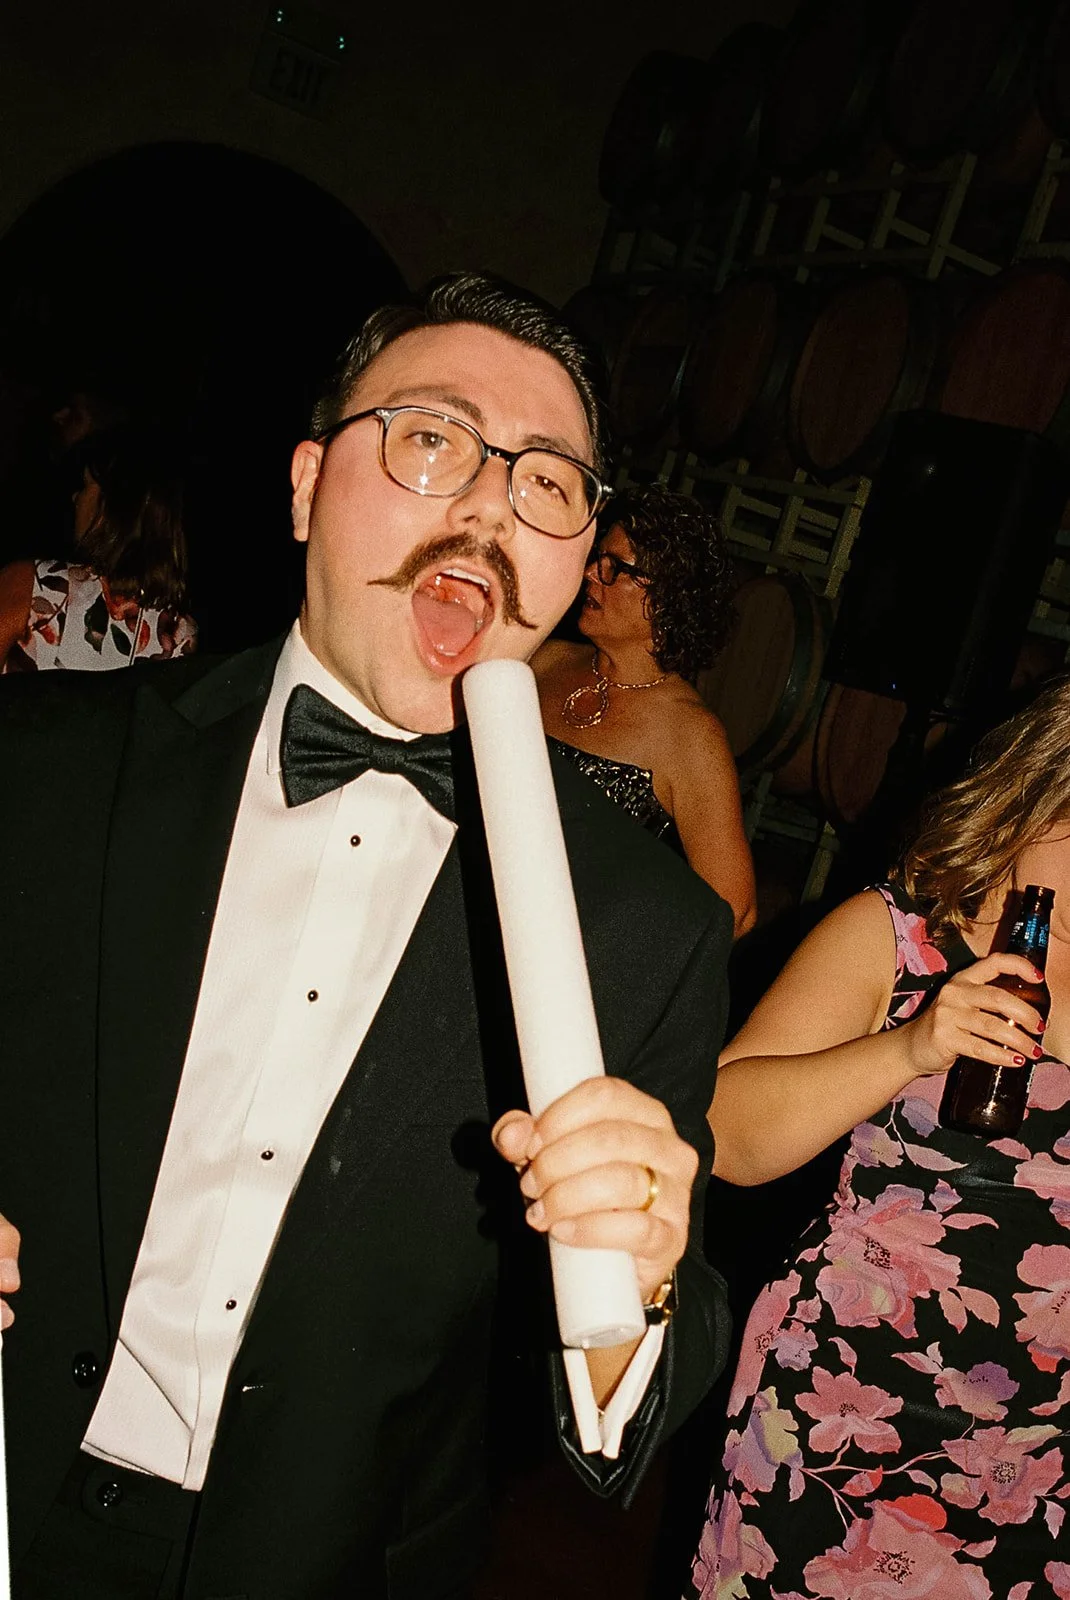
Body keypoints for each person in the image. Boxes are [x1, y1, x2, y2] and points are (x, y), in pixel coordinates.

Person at [0, 271, 733, 1600]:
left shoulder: (645, 925)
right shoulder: (44, 764)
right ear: (302, 486)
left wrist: (637, 1286)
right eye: (431, 438)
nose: (488, 509)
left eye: (546, 482)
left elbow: (622, 1419)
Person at [690, 676, 1070, 1599]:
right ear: (1038, 791)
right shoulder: (899, 938)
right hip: (852, 1414)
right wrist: (912, 1046)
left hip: (1042, 1465)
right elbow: (727, 1132)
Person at [534, 484, 756, 937]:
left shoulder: (690, 734)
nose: (590, 573)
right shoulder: (544, 659)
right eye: (597, 557)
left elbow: (735, 912)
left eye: (614, 567)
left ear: (666, 599)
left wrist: (615, 940)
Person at [0, 423, 197, 671]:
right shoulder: (182, 634)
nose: (75, 498)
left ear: (112, 507)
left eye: (85, 486)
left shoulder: (33, 585)